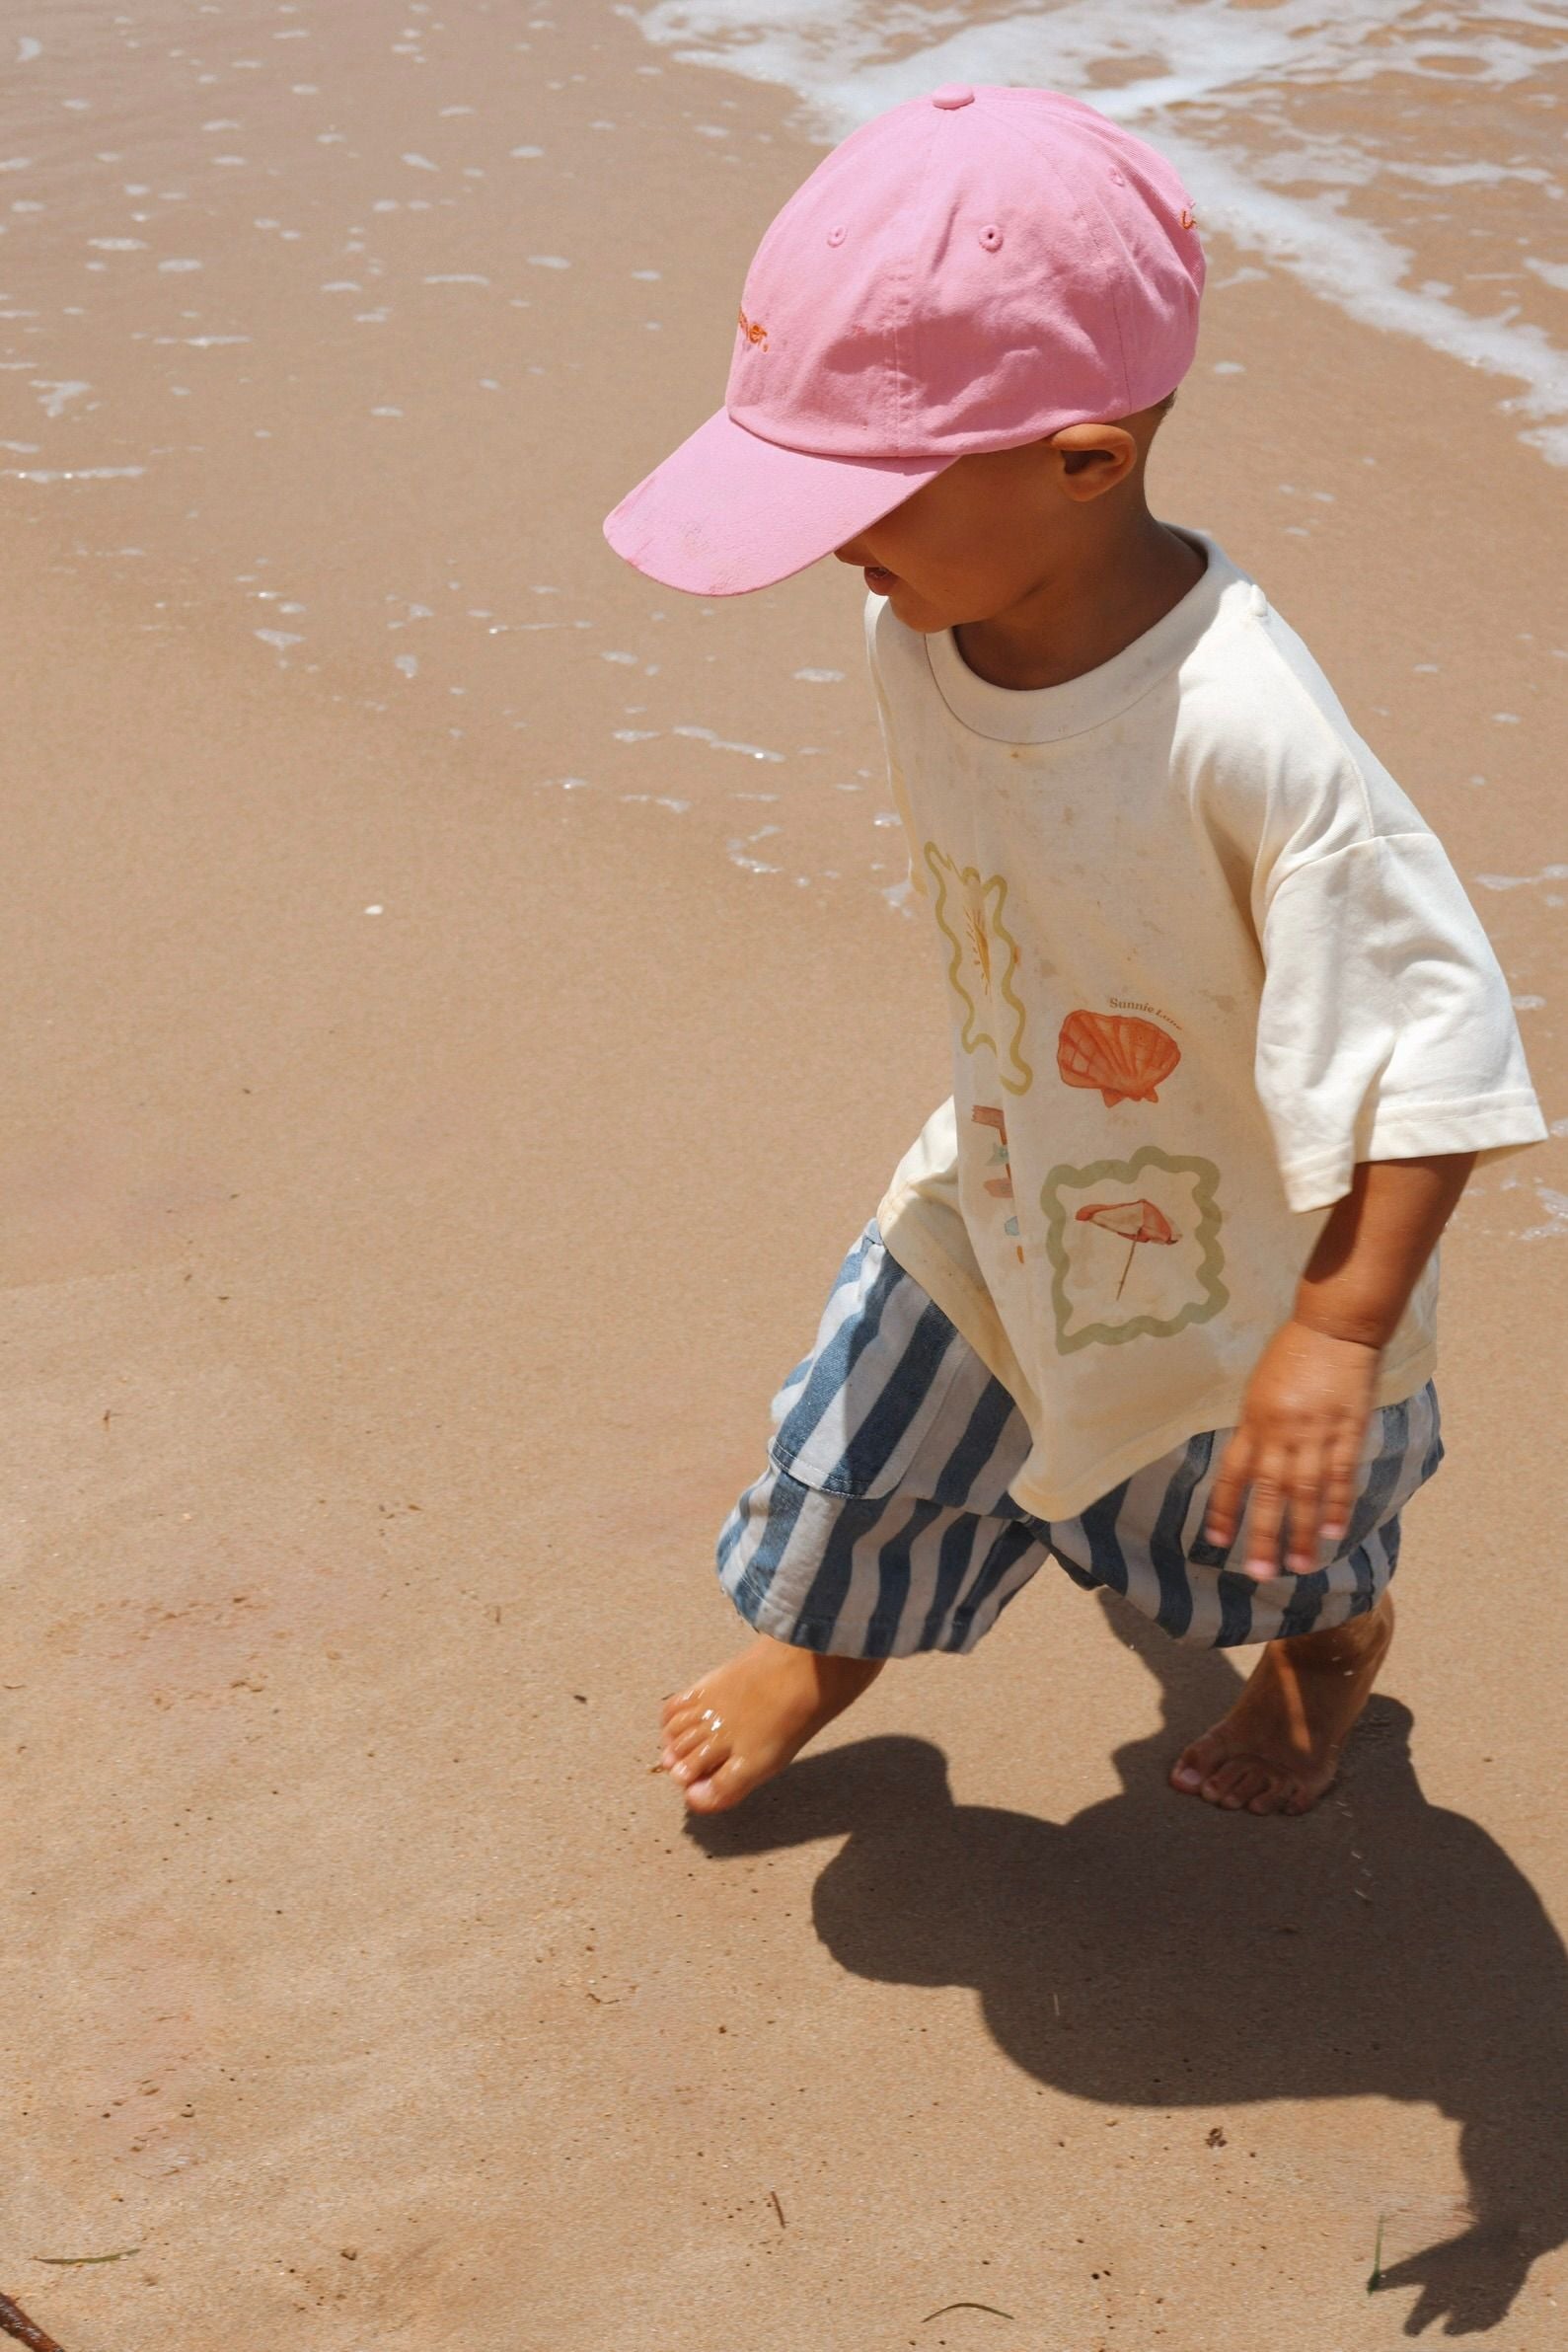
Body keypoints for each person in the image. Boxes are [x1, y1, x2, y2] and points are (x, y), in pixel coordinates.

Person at [603, 83, 1545, 1820]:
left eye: (864, 495)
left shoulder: (1247, 733)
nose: (833, 547)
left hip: (1250, 1252)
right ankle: (825, 1645)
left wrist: (1335, 1330)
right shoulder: (921, 628)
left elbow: (1436, 1051)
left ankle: (1326, 1647)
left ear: (1087, 462)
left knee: (1255, 1535)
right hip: (1005, 1165)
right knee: (867, 1438)